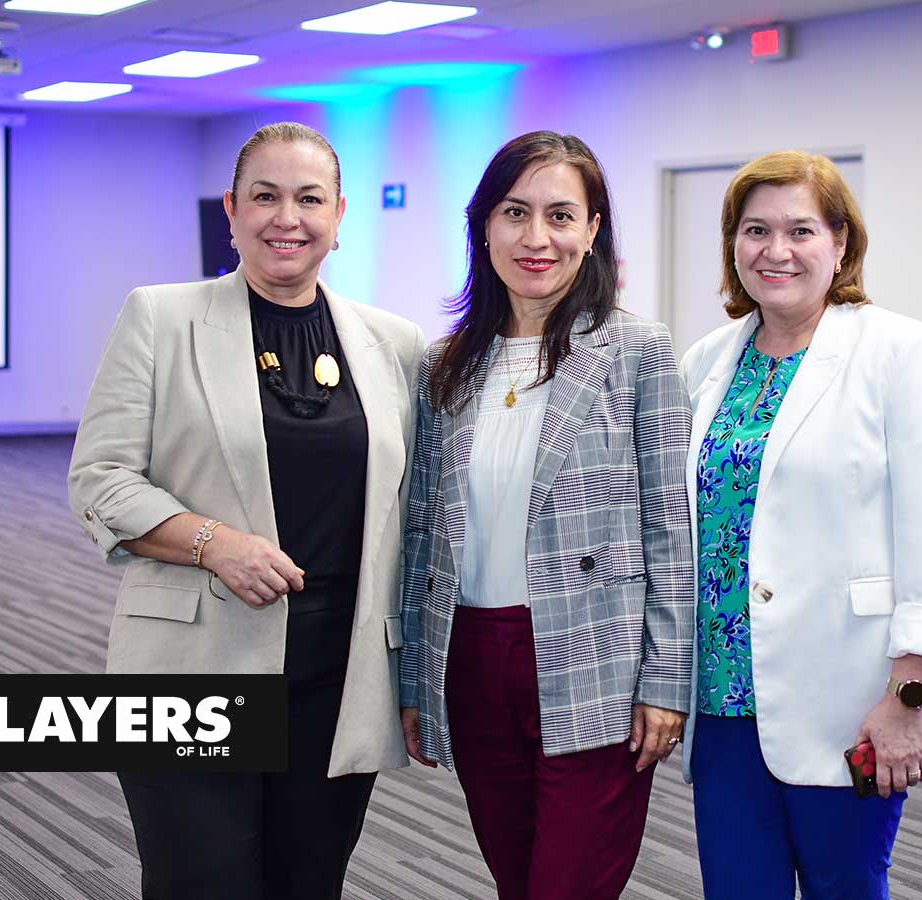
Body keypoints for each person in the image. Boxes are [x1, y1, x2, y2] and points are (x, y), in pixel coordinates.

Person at [67, 122, 425, 900]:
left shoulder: (394, 345)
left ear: (338, 216)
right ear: (231, 211)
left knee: (308, 881)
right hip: (195, 661)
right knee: (201, 881)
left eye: (308, 199)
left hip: (339, 671)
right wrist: (211, 541)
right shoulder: (161, 318)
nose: (285, 218)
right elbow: (99, 477)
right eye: (264, 196)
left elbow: (416, 511)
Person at [398, 131, 694, 900]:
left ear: (593, 229)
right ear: (484, 226)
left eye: (561, 215)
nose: (537, 238)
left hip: (591, 657)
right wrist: (413, 680)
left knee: (566, 885)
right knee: (515, 877)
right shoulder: (447, 363)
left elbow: (670, 527)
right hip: (471, 655)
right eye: (515, 212)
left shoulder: (636, 352)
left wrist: (666, 680)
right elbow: (422, 530)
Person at [678, 149, 922, 899]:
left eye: (801, 230)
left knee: (845, 883)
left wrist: (909, 697)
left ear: (841, 242)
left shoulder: (902, 352)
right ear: (732, 245)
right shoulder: (708, 360)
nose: (775, 251)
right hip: (721, 697)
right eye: (754, 231)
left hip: (850, 694)